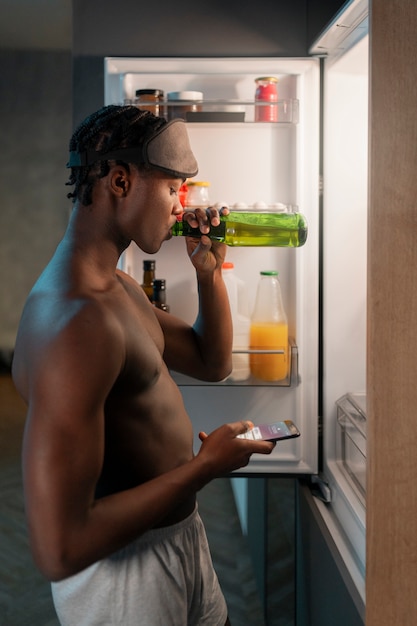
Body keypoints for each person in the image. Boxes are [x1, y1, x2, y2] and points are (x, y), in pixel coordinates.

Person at [12, 105, 275, 626]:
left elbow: (211, 361)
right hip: (123, 578)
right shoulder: (75, 323)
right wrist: (205, 468)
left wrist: (209, 272)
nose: (183, 205)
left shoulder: (118, 287)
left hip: (179, 537)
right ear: (119, 180)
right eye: (173, 187)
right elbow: (58, 548)